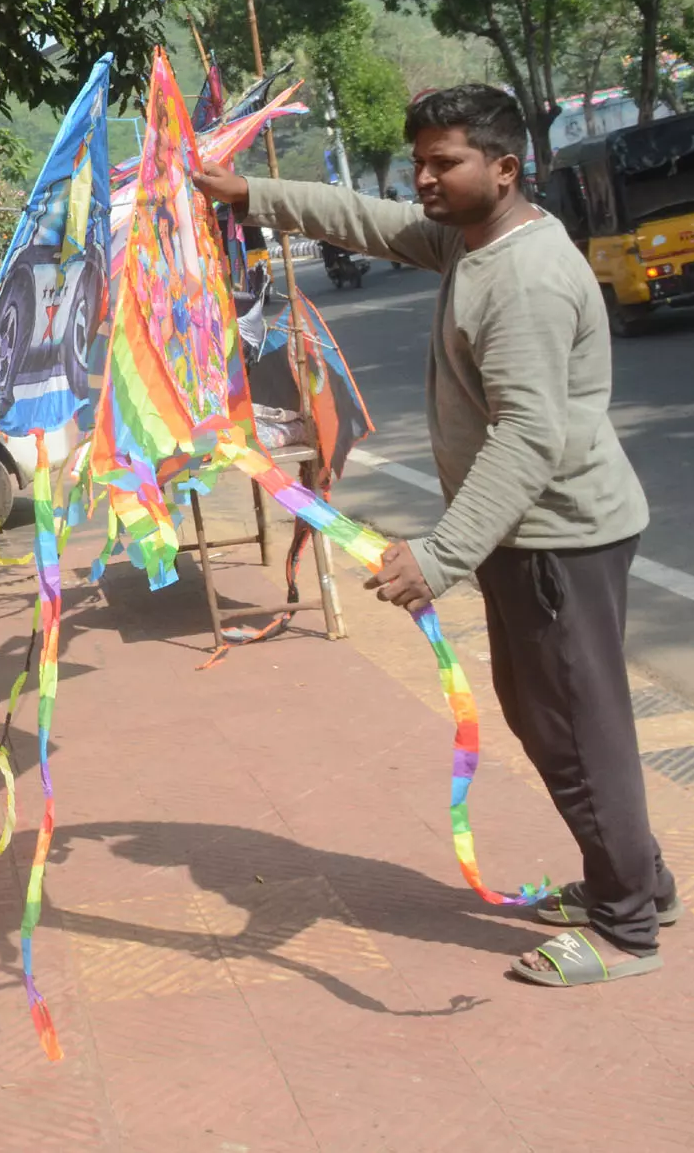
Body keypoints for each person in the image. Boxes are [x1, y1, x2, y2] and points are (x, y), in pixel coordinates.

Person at [193, 83, 669, 989]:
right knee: (552, 716)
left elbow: (529, 436)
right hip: (536, 538)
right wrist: (248, 194)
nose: (423, 179)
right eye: (419, 161)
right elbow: (366, 221)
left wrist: (441, 556)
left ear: (503, 166)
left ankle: (625, 929)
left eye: (443, 162)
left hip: (557, 540)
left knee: (574, 730)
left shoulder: (522, 279)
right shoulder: (474, 240)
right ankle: (638, 880)